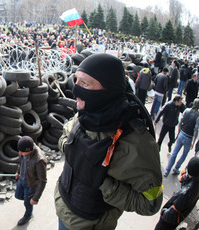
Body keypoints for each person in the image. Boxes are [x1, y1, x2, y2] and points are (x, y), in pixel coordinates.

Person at [55, 53, 163, 230]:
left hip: (90, 224)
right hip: (63, 207)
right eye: (76, 80)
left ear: (107, 89)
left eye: (85, 83)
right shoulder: (86, 113)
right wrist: (73, 152)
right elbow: (67, 136)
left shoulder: (135, 143)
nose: (75, 89)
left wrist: (103, 183)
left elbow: (151, 203)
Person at [155, 157, 199, 230]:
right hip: (178, 218)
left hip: (168, 221)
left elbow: (173, 211)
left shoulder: (186, 192)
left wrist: (164, 212)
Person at [15, 136, 47, 226]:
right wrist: (18, 172)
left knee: (28, 202)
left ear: (29, 150)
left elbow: (43, 181)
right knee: (18, 195)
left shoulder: (40, 160)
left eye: (22, 152)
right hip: (22, 179)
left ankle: (28, 215)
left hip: (30, 185)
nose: (19, 153)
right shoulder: (24, 150)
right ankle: (27, 199)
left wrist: (36, 198)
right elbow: (20, 162)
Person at [164, 99, 199, 177]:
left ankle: (167, 170)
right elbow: (196, 130)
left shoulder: (187, 110)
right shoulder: (198, 116)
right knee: (184, 155)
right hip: (189, 137)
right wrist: (193, 143)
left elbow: (180, 122)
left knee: (174, 152)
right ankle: (176, 168)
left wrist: (179, 132)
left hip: (182, 134)